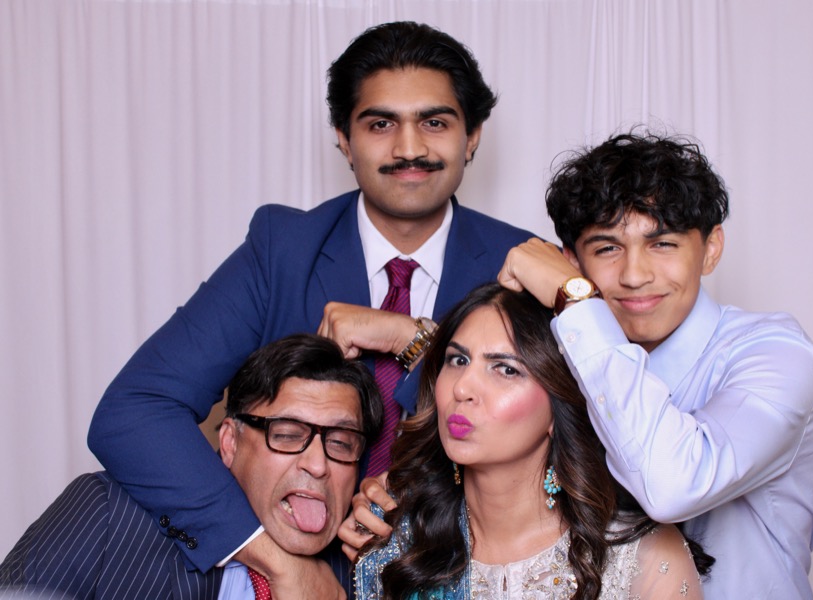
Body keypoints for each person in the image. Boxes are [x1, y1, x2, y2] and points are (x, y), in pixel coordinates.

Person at [86, 20, 533, 599]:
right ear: (344, 140)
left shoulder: (518, 265)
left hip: (460, 571)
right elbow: (133, 411)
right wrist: (277, 563)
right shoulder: (283, 250)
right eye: (380, 124)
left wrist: (411, 337)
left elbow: (573, 435)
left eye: (435, 122)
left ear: (472, 136)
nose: (409, 148)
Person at [497, 131, 813, 599]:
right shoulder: (562, 354)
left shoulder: (777, 353)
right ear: (572, 261)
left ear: (711, 249)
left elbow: (672, 486)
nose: (635, 275)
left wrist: (575, 300)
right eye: (607, 248)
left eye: (663, 244)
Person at [353, 283, 712, 599]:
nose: (462, 388)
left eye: (506, 369)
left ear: (559, 406)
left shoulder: (640, 560)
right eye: (458, 360)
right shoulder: (399, 547)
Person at [0, 334, 382, 599]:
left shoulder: (366, 574)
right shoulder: (107, 517)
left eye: (340, 442)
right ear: (230, 443)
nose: (317, 464)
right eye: (285, 434)